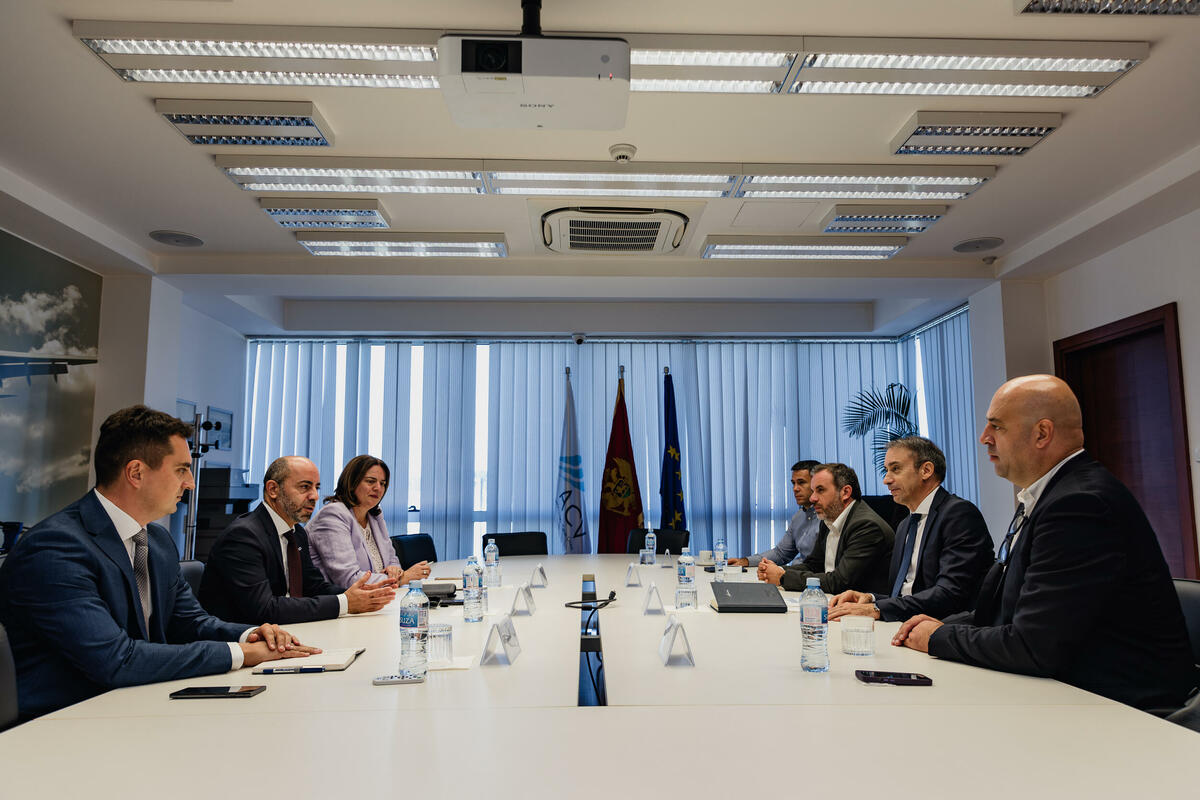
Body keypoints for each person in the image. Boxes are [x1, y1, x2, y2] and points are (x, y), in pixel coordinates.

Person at [893, 375, 1196, 711]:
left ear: (1042, 433)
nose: (984, 437)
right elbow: (1003, 613)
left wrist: (938, 638)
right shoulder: (1048, 496)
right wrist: (936, 626)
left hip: (1119, 709)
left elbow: (1033, 645)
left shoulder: (1080, 504)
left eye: (997, 426)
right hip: (1067, 691)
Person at [0, 406, 318, 720]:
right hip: (60, 722)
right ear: (136, 473)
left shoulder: (156, 540)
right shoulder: (55, 547)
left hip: (134, 705)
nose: (191, 483)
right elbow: (115, 660)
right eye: (181, 470)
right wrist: (240, 654)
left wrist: (250, 635)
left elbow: (190, 622)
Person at [199, 456, 397, 625]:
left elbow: (313, 586)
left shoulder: (297, 533)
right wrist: (344, 603)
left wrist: (357, 595)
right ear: (273, 489)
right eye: (304, 487)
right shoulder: (244, 536)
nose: (315, 496)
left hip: (287, 630)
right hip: (244, 639)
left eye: (316, 487)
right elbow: (264, 609)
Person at [829, 436, 992, 622]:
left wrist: (876, 608)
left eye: (895, 469)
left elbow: (949, 594)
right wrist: (870, 598)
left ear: (926, 470)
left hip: (940, 628)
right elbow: (906, 595)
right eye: (887, 470)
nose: (886, 480)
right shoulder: (905, 525)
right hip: (905, 623)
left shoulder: (958, 514)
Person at [758, 463, 894, 595]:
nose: (812, 498)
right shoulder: (829, 519)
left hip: (861, 607)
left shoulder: (866, 526)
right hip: (833, 601)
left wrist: (783, 577)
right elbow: (814, 565)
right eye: (813, 491)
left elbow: (839, 582)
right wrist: (776, 570)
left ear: (845, 492)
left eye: (820, 490)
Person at [306, 454, 430, 587]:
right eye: (371, 481)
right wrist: (401, 579)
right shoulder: (333, 515)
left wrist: (394, 571)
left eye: (382, 483)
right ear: (352, 483)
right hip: (341, 599)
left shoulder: (374, 515)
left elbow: (393, 561)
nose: (378, 488)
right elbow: (349, 580)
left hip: (379, 595)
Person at [728, 459, 823, 568]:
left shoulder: (827, 518)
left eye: (801, 482)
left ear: (816, 484)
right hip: (797, 573)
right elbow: (781, 553)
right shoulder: (798, 517)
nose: (795, 489)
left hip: (809, 575)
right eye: (793, 483)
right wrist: (746, 561)